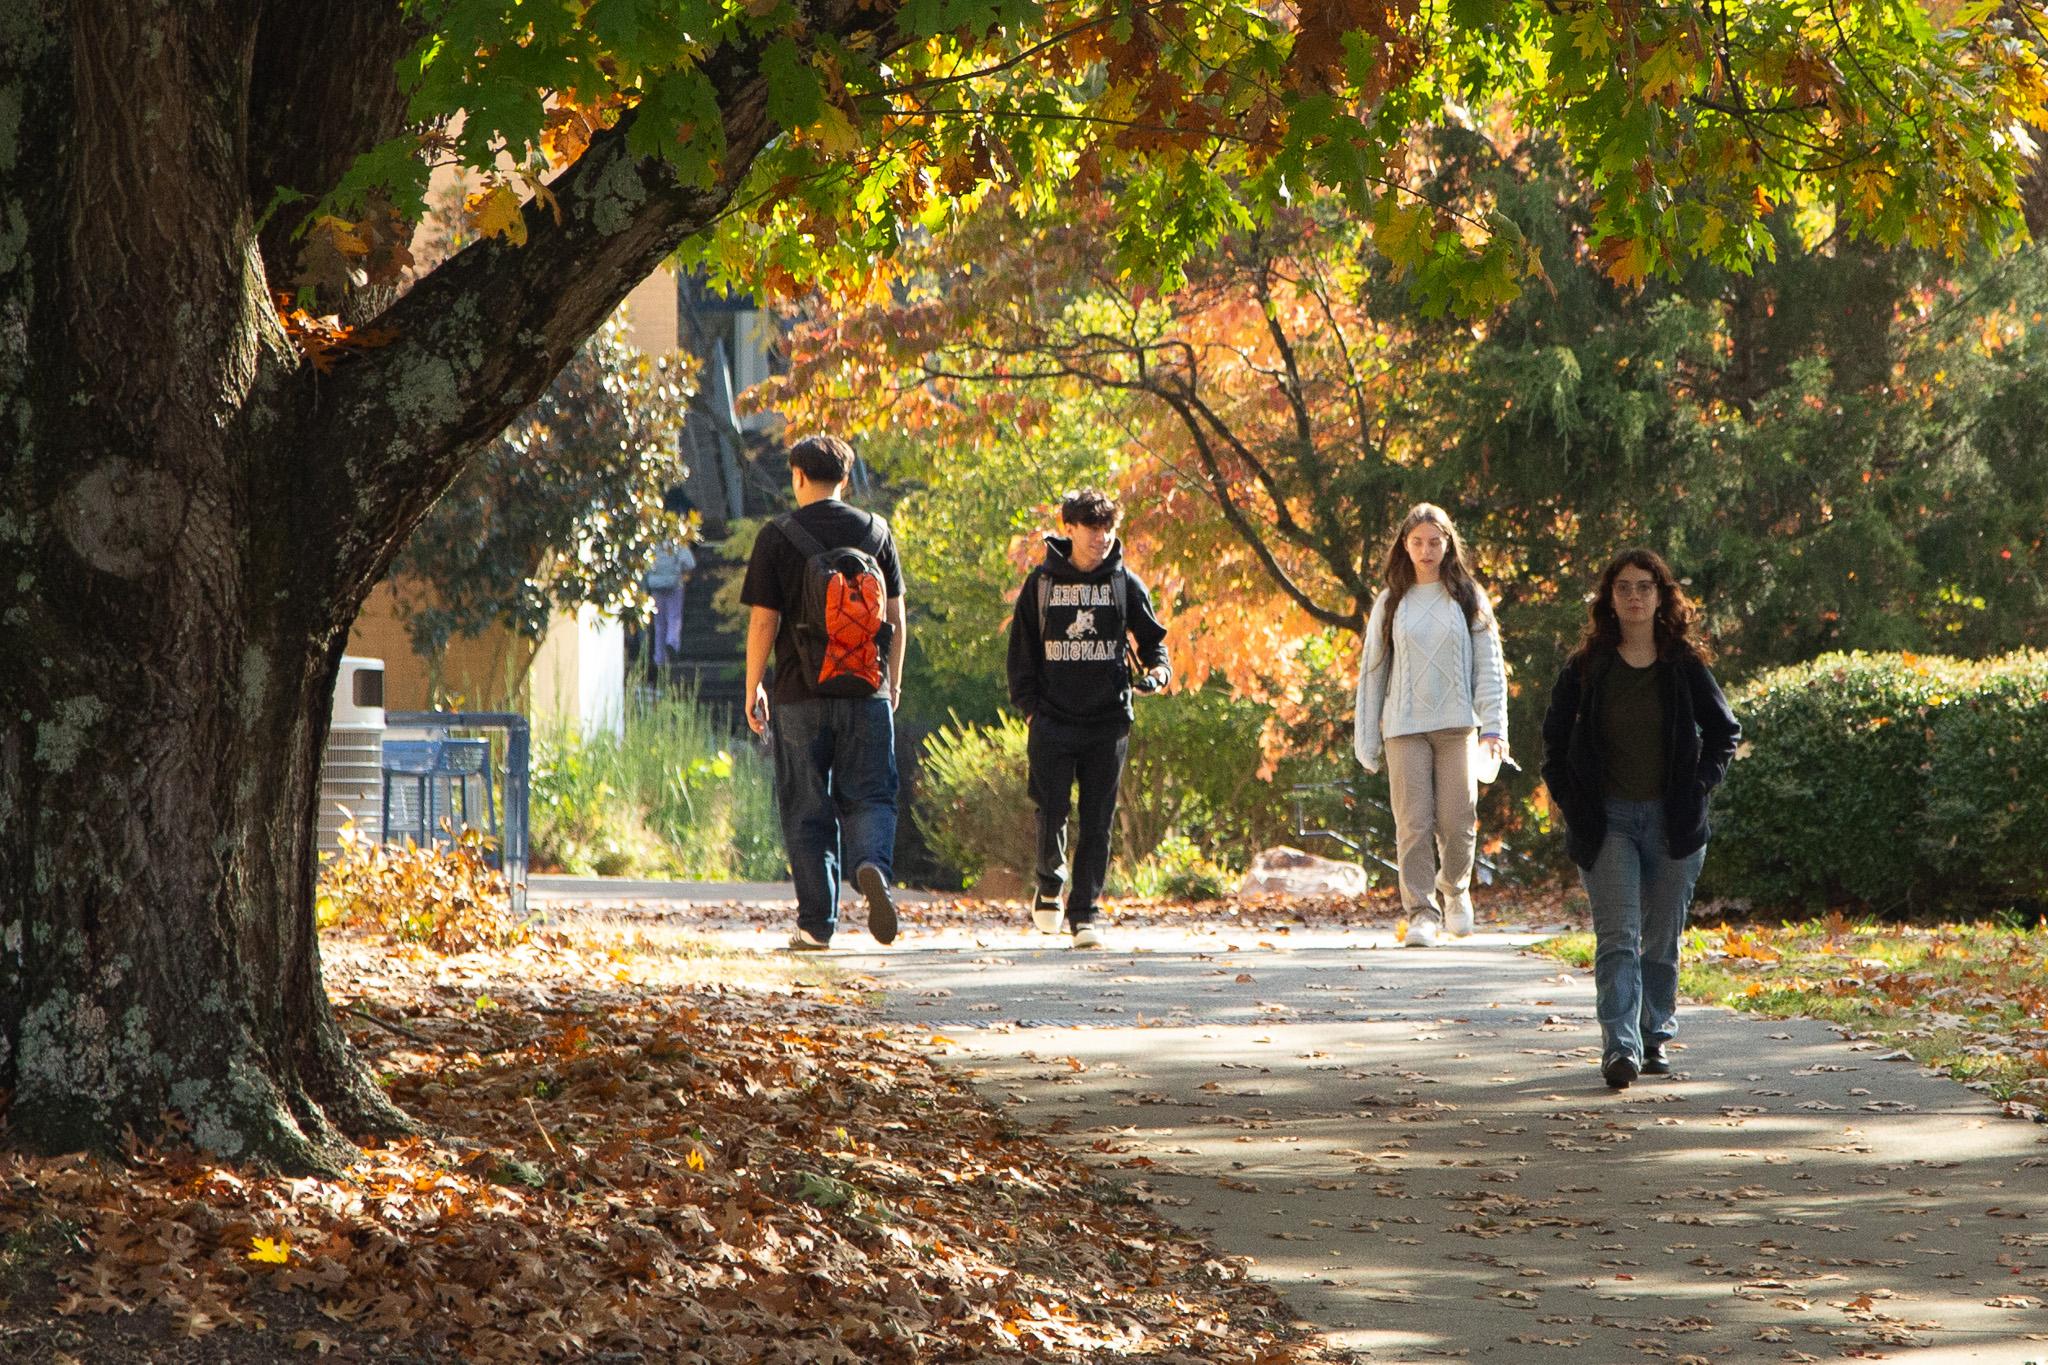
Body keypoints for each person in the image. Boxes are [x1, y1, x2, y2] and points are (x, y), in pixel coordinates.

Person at [1539, 549, 1740, 1089]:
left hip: (1673, 822)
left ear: (1660, 595)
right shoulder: (1586, 667)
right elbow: (1552, 745)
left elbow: (1724, 733)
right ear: (1609, 598)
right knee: (1618, 936)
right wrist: (1571, 801)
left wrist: (1698, 788)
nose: (1633, 596)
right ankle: (1620, 1048)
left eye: (1644, 587)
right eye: (1623, 587)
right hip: (1607, 823)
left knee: (1661, 938)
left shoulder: (1684, 666)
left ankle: (1653, 1036)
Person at [741, 434, 907, 951]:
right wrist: (891, 683)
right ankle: (869, 866)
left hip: (799, 695)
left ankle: (816, 925)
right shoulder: (877, 531)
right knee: (873, 795)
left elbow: (764, 621)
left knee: (807, 807)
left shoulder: (776, 536)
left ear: (797, 476)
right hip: (867, 690)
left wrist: (754, 688)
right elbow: (897, 620)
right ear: (846, 478)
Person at [1006, 488, 1170, 949]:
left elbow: (1154, 643)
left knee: (1098, 819)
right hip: (1052, 720)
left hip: (1108, 721)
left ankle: (1085, 915)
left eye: (1108, 530)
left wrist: (1157, 673)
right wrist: (1031, 710)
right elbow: (1020, 655)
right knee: (1052, 809)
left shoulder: (1124, 584)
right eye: (1092, 529)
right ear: (1070, 529)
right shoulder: (1041, 585)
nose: (1101, 539)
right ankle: (1050, 884)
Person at [1353, 504, 1510, 947]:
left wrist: (1495, 730)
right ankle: (1421, 912)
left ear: (1447, 544)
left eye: (1435, 542)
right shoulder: (1391, 601)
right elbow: (1373, 672)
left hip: (1458, 725)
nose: (1426, 550)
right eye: (1418, 542)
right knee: (1414, 824)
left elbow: (1490, 667)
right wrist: (1367, 737)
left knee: (1460, 820)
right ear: (1405, 545)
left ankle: (1455, 892)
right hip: (1404, 728)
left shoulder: (1468, 596)